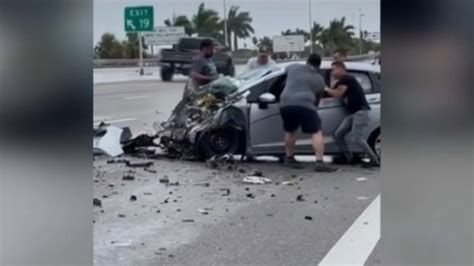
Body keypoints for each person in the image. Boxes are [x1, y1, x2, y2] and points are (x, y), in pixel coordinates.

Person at [279, 54, 337, 172]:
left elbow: (283, 75)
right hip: (306, 104)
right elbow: (318, 98)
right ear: (318, 65)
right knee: (316, 132)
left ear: (307, 61)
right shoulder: (319, 80)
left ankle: (289, 158)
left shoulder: (293, 67)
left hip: (286, 103)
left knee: (290, 131)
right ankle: (319, 162)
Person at [325, 61, 380, 167]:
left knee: (356, 137)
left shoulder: (347, 78)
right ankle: (348, 157)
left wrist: (325, 88)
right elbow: (334, 90)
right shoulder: (342, 81)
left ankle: (374, 160)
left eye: (333, 69)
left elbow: (337, 94)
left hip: (361, 111)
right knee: (338, 134)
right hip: (353, 113)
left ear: (341, 69)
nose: (332, 72)